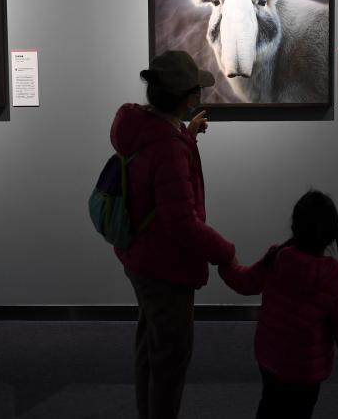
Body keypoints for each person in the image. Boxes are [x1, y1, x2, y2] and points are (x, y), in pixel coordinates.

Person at [110, 50, 237, 419]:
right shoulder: (168, 147)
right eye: (196, 91)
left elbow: (159, 180)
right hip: (165, 266)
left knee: (151, 347)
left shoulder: (143, 130)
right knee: (170, 361)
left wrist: (187, 135)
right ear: (188, 97)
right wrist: (226, 252)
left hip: (141, 258)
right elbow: (181, 222)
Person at [218, 190, 338, 419]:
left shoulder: (276, 260)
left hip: (269, 359)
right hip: (305, 372)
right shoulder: (335, 282)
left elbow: (245, 282)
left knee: (269, 405)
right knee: (299, 413)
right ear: (331, 235)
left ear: (294, 228)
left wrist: (225, 263)